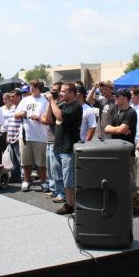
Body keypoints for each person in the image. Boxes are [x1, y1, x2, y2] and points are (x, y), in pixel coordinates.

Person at [105, 88, 139, 215]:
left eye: (117, 96)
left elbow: (121, 130)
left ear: (125, 98)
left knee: (128, 179)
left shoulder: (131, 112)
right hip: (115, 150)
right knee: (116, 178)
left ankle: (136, 205)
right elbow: (106, 128)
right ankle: (121, 204)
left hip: (127, 152)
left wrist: (120, 130)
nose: (115, 98)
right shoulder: (115, 110)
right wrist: (119, 130)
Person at [45, 82, 82, 215]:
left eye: (63, 91)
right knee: (61, 178)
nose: (61, 93)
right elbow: (47, 118)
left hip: (68, 148)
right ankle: (69, 204)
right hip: (58, 147)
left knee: (69, 180)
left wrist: (52, 101)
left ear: (72, 93)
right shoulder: (61, 105)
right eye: (60, 91)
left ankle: (74, 205)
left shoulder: (76, 106)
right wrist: (50, 102)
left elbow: (60, 116)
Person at [14, 80, 49, 192]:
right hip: (25, 136)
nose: (31, 88)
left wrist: (39, 118)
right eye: (30, 86)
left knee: (41, 162)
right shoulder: (25, 100)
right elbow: (16, 114)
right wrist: (22, 114)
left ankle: (43, 182)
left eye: (33, 87)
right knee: (26, 161)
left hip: (40, 136)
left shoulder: (45, 100)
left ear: (38, 88)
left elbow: (48, 118)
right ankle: (26, 181)